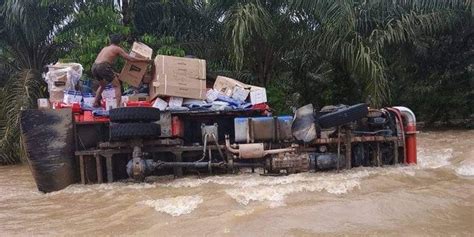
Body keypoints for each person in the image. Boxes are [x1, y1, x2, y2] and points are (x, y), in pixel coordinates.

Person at [91, 34, 151, 107]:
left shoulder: (105, 48)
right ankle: (118, 107)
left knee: (102, 85)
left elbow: (104, 63)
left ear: (110, 41)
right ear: (119, 42)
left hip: (94, 66)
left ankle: (95, 102)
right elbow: (130, 59)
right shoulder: (117, 48)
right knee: (117, 86)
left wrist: (115, 73)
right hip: (103, 66)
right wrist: (144, 60)